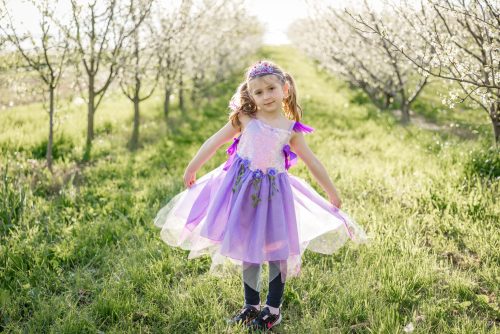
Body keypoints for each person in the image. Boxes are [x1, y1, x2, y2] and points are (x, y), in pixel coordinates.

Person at [154, 60, 367, 330]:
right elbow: (214, 141)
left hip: (274, 195)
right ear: (250, 95)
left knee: (278, 249)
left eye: (271, 89)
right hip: (242, 191)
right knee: (248, 247)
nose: (266, 96)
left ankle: (273, 309)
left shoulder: (290, 130)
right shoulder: (245, 118)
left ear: (285, 89)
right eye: (258, 92)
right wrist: (192, 166)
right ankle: (251, 305)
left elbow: (313, 162)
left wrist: (332, 192)